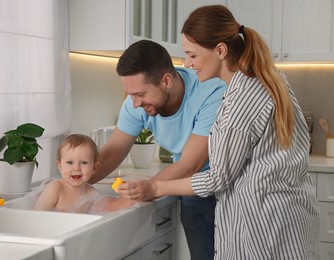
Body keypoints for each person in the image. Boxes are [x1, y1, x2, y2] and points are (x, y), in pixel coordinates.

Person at [116, 5, 320, 259]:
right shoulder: (269, 78)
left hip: (263, 226)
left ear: (220, 51)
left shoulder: (241, 100)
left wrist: (156, 188)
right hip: (288, 216)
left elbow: (216, 178)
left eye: (192, 55)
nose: (187, 64)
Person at [89, 40, 226, 259]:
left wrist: (152, 186)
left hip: (221, 181)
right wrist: (71, 184)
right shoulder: (137, 102)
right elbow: (112, 151)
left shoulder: (211, 92)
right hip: (189, 178)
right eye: (130, 95)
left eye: (140, 95)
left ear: (166, 81)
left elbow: (192, 164)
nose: (134, 103)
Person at [34, 134, 135, 213]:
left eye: (84, 163)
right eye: (70, 162)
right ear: (59, 166)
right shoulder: (55, 188)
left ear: (94, 168)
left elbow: (108, 207)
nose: (76, 168)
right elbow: (37, 217)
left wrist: (127, 195)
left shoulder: (92, 193)